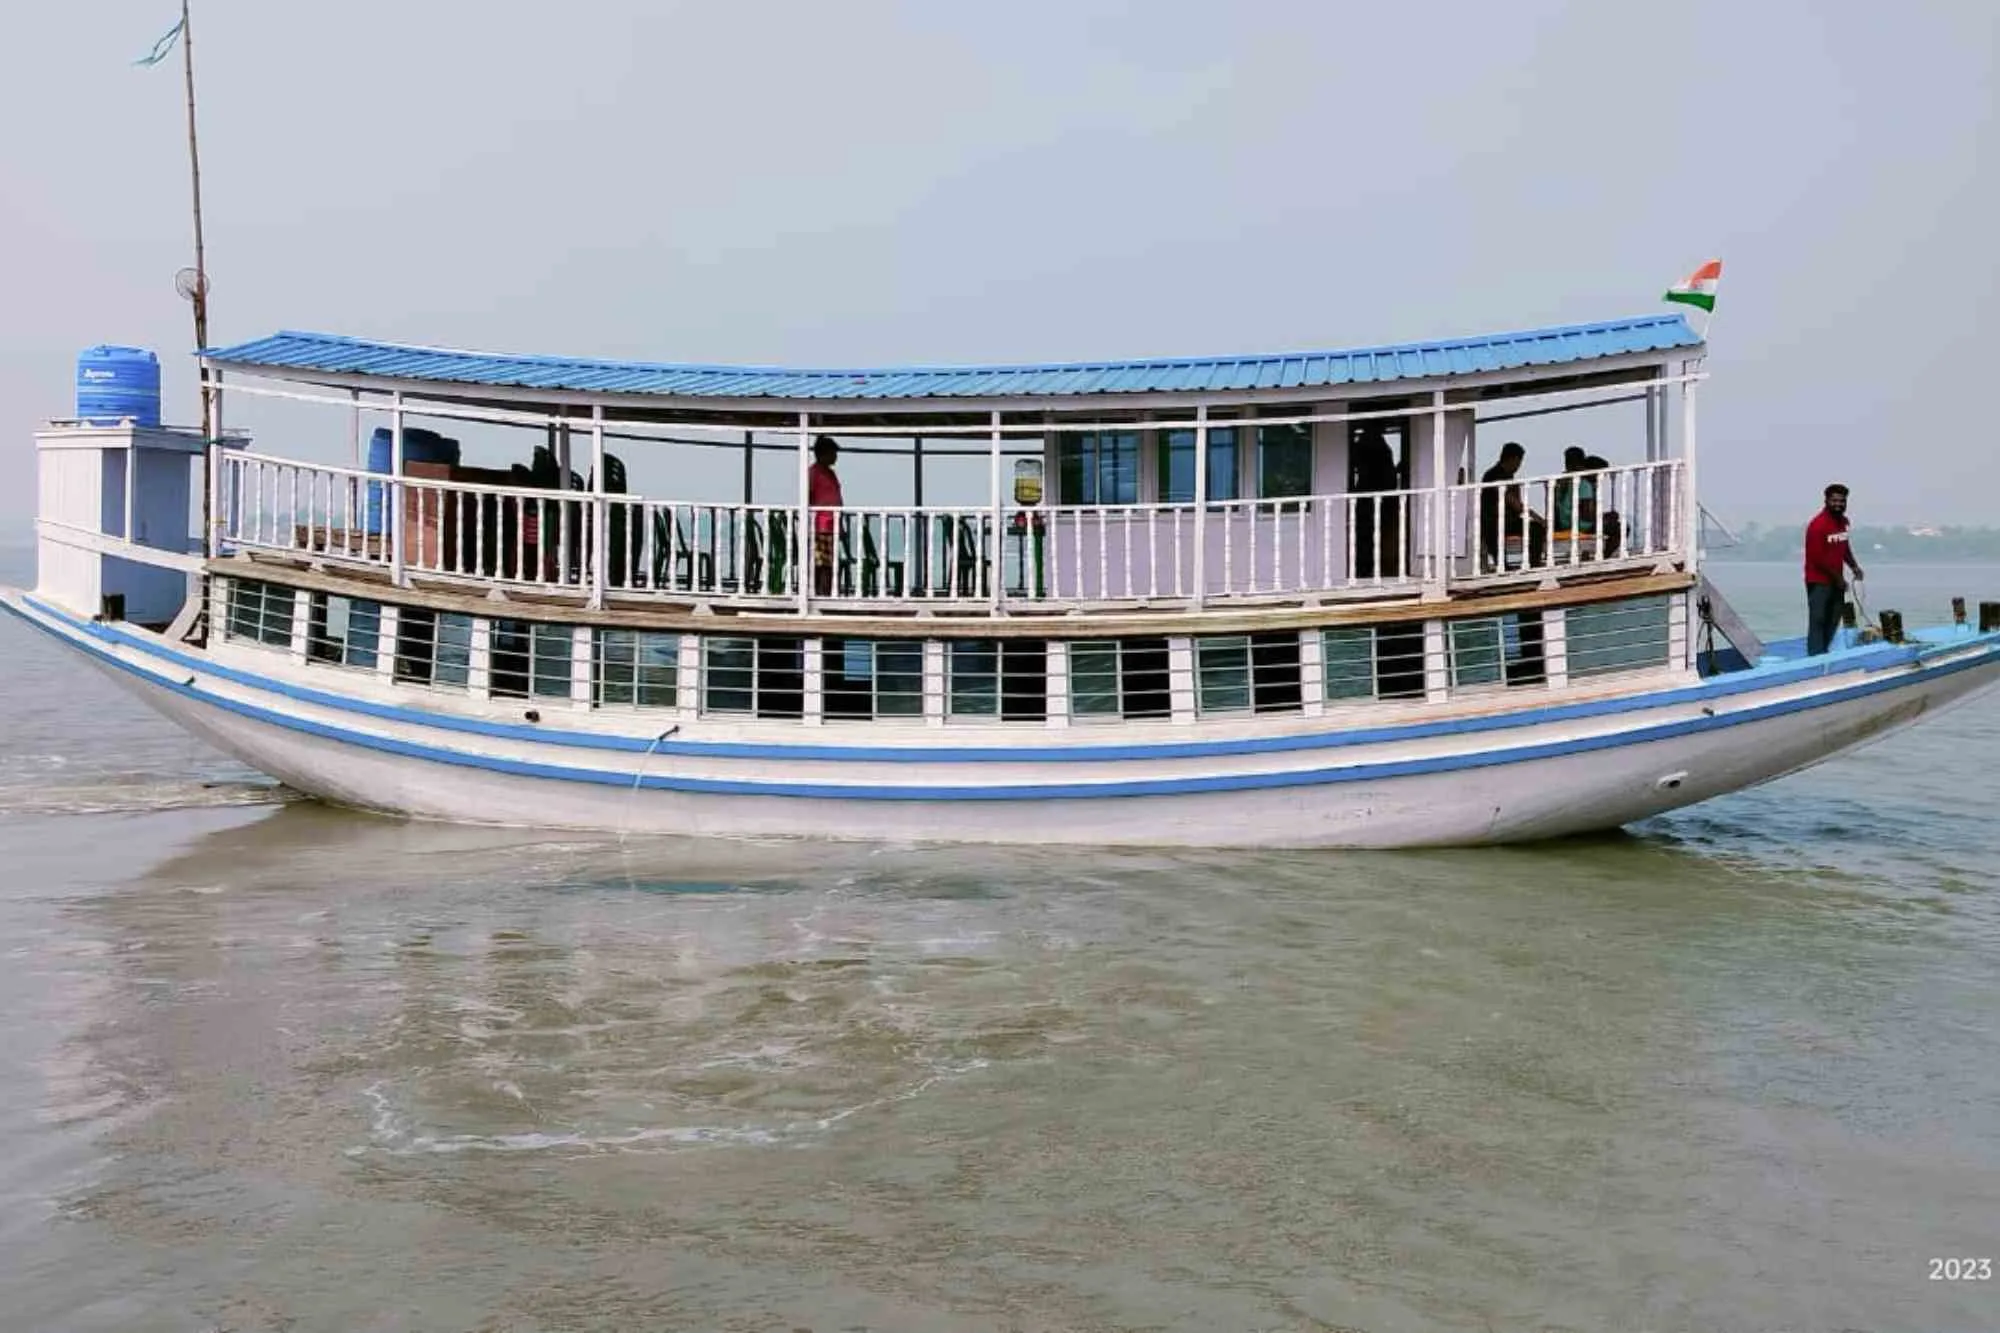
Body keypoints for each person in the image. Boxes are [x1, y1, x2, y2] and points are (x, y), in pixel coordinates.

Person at [1804, 483, 1864, 654]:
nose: (1838, 504)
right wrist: (1838, 579)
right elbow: (1817, 558)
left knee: (1834, 619)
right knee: (1818, 619)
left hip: (1836, 581)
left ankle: (1823, 651)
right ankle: (1814, 657)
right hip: (1818, 581)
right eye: (1834, 500)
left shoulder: (1843, 522)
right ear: (1826, 501)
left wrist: (1854, 566)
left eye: (1842, 501)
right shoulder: (1818, 525)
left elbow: (1844, 546)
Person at [1479, 442, 1546, 568]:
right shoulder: (1494, 475)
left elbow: (1516, 504)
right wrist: (1539, 518)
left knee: (1536, 529)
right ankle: (1504, 566)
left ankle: (1533, 564)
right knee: (1494, 533)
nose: (1519, 466)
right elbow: (1514, 502)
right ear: (1512, 459)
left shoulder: (1509, 476)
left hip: (1509, 520)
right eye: (1519, 462)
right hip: (1493, 521)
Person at [809, 435, 845, 595]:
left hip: (833, 524)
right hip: (820, 525)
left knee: (830, 563)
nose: (835, 456)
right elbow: (808, 496)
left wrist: (841, 524)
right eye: (833, 453)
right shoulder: (814, 473)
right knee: (821, 563)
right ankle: (820, 593)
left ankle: (828, 591)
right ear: (823, 454)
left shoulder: (830, 474)